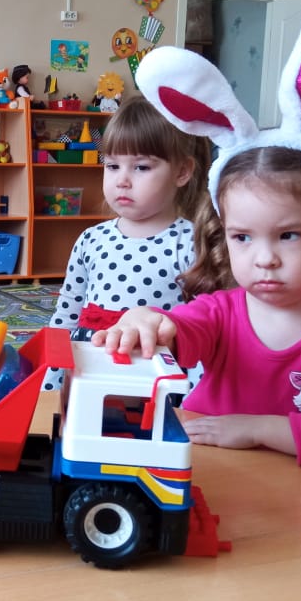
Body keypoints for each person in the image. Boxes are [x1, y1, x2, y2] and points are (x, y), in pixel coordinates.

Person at [93, 0, 301, 474]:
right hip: (214, 479)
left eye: (288, 236)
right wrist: (147, 319)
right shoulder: (219, 313)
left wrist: (261, 429)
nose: (264, 258)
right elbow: (179, 330)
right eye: (242, 237)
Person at [41, 97, 209, 391]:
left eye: (141, 167)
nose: (122, 180)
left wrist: (195, 404)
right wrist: (50, 387)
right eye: (112, 165)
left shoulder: (190, 243)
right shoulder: (91, 239)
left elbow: (203, 331)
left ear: (182, 172)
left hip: (153, 377)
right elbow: (65, 316)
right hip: (89, 371)